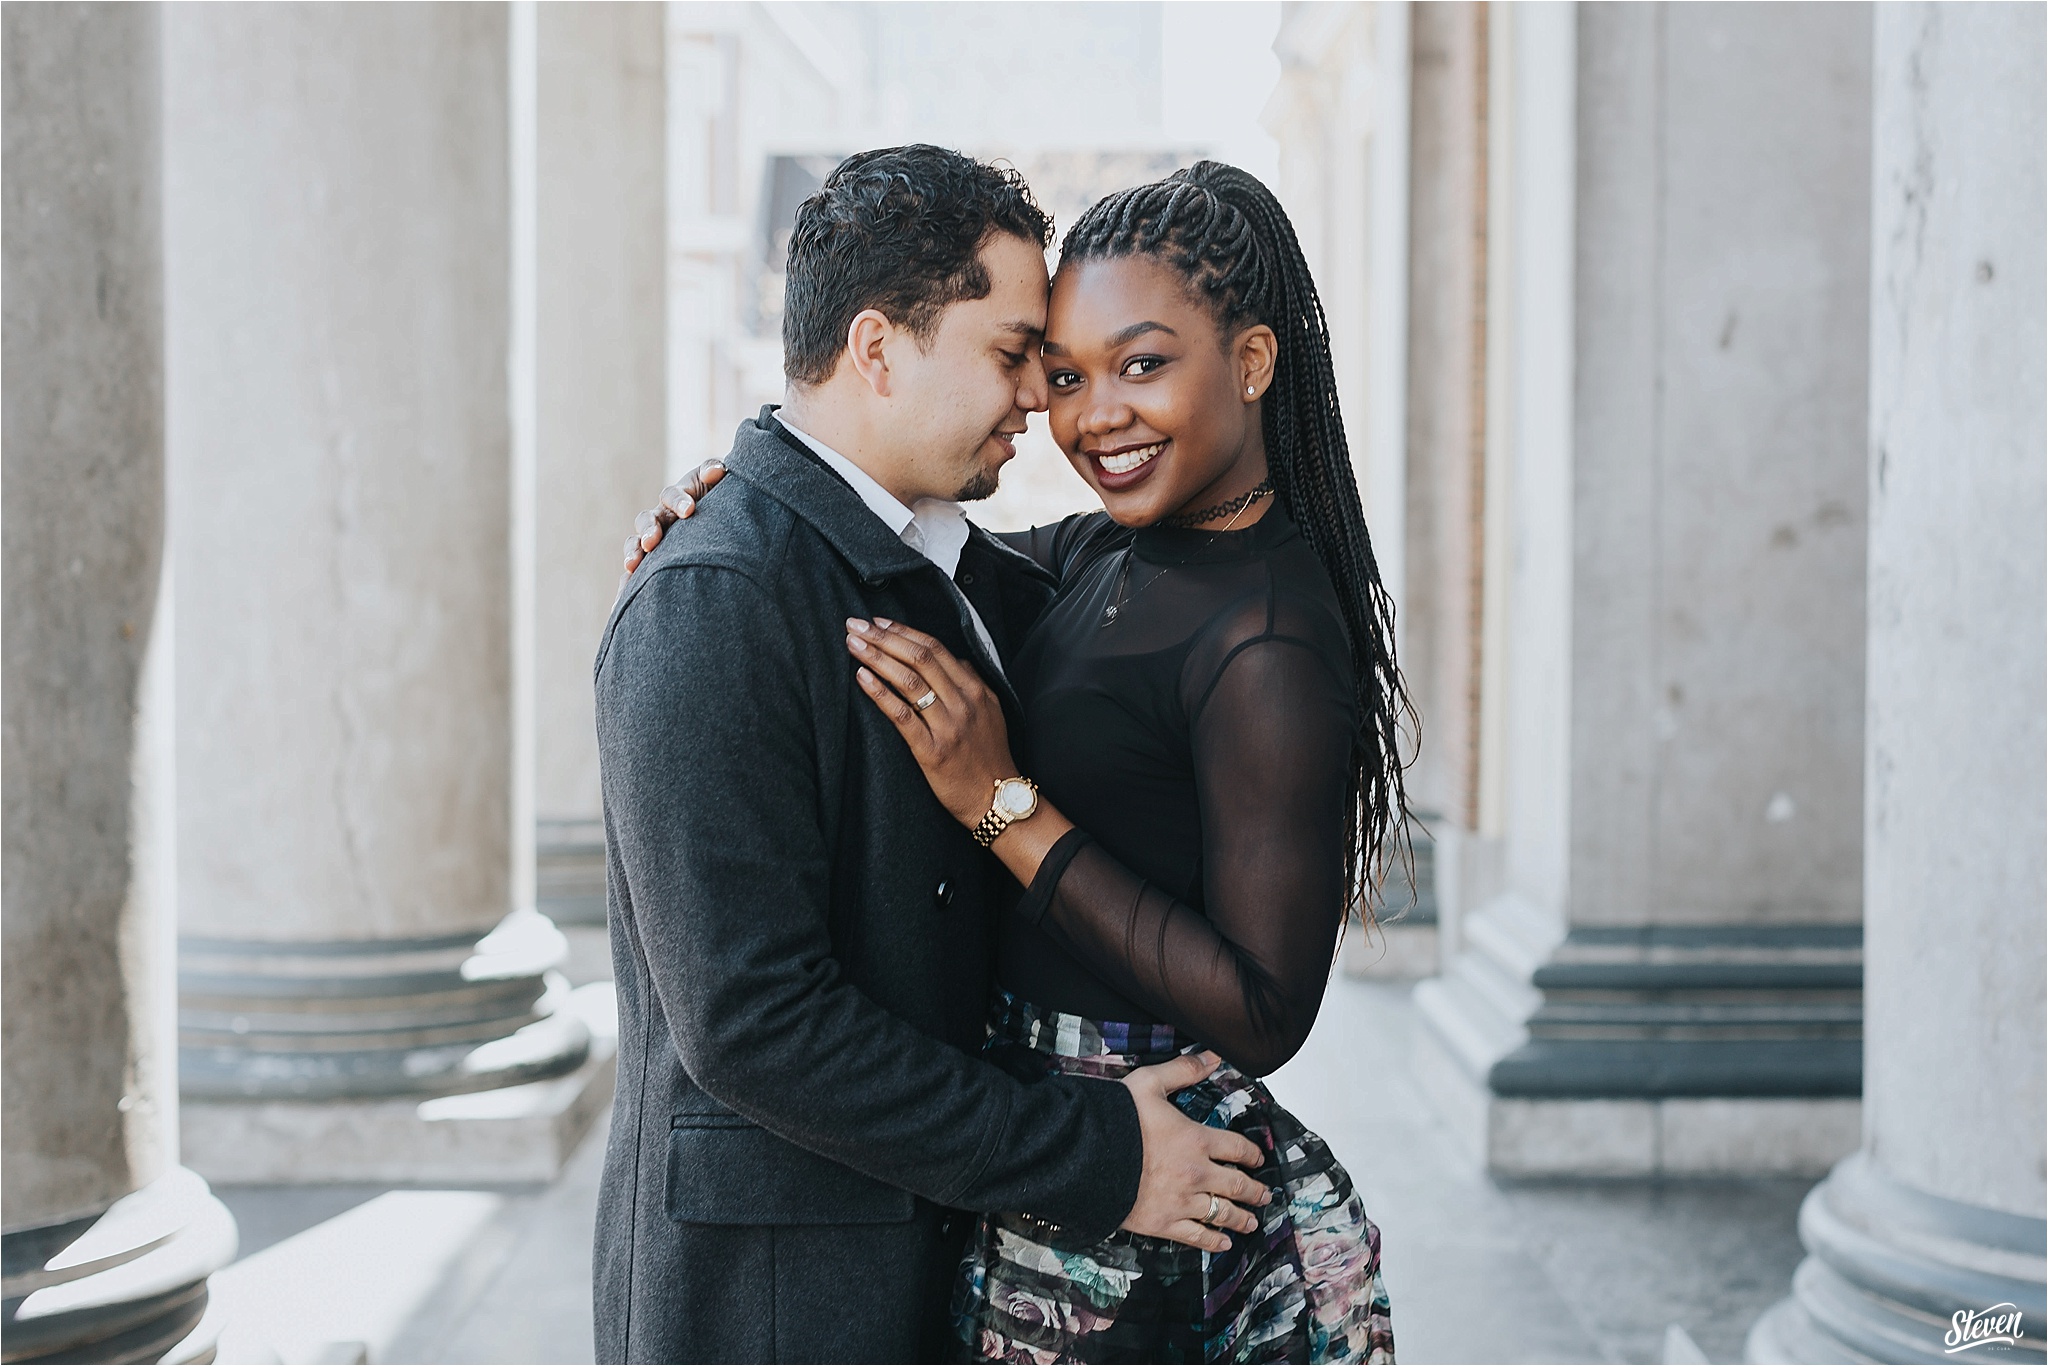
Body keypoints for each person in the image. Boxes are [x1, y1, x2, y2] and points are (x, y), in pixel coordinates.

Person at [633, 162, 1405, 1362]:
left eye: (1134, 363)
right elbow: (750, 1022)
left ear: (1249, 363)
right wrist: (737, 491)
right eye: (1042, 366)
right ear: (879, 350)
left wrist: (1003, 807)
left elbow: (1262, 1001)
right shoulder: (741, 592)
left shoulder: (1220, 617)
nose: (1070, 414)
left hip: (1105, 1199)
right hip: (852, 1255)